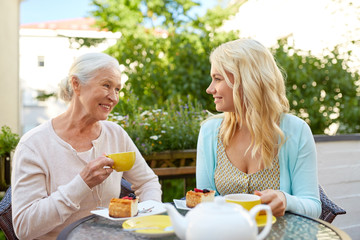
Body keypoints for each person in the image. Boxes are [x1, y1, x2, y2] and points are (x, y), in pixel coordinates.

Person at [11, 52, 162, 239]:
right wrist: (82, 183)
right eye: (106, 85)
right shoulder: (34, 145)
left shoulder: (116, 134)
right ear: (76, 84)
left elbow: (148, 182)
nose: (114, 98)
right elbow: (24, 227)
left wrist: (145, 219)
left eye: (117, 89)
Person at [196, 39, 321, 218]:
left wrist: (286, 200)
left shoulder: (296, 131)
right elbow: (204, 203)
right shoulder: (210, 132)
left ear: (246, 81)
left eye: (217, 79)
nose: (210, 89)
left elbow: (314, 207)